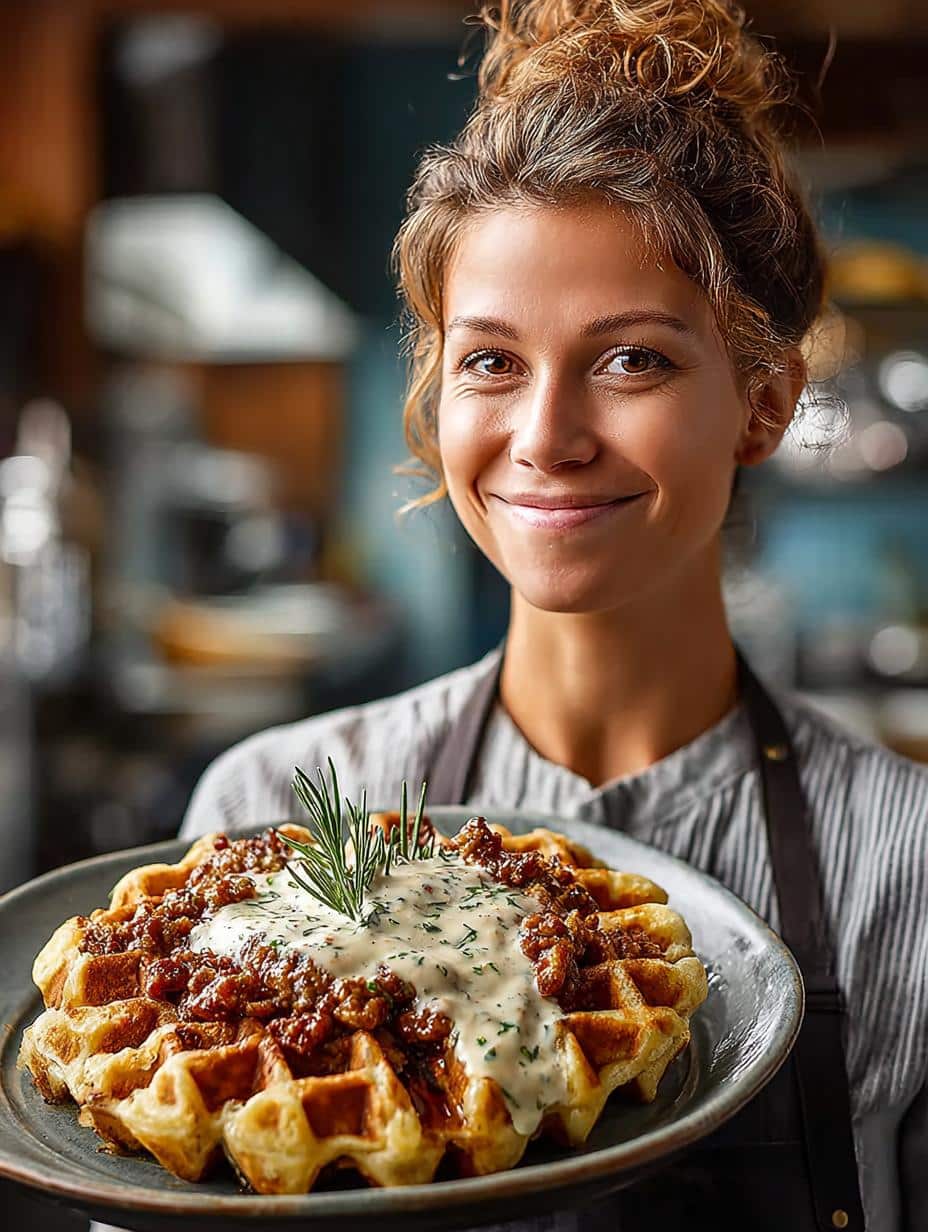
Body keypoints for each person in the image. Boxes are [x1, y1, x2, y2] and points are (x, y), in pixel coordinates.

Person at [93, 2, 927, 1231]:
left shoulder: (903, 862)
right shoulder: (258, 812)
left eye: (630, 358)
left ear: (762, 402)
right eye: (489, 360)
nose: (545, 438)